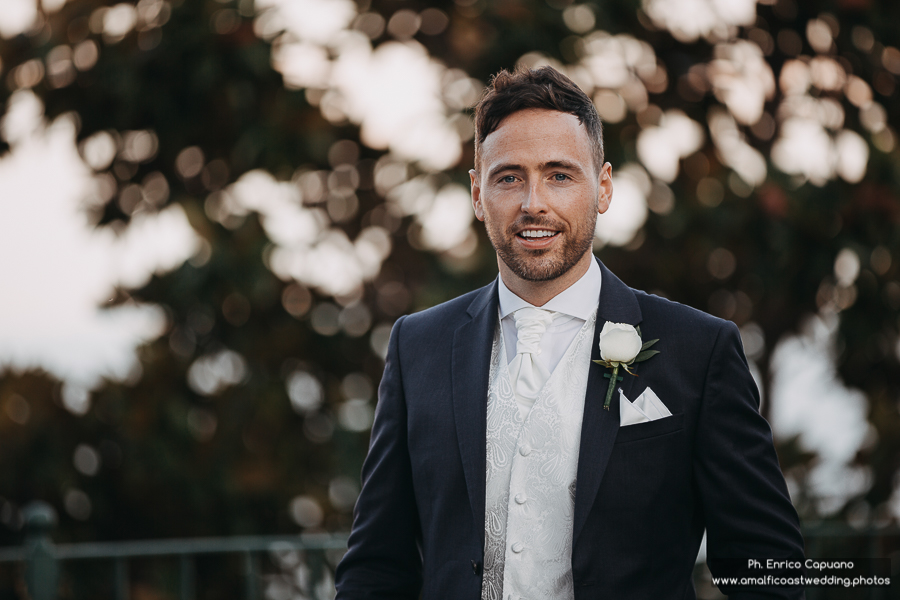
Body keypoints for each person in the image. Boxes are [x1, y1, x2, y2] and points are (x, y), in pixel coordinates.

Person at [334, 66, 805, 599]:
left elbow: (769, 568)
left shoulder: (698, 350)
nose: (534, 202)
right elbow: (376, 565)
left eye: (560, 175)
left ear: (602, 188)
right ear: (476, 193)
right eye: (509, 177)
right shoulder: (417, 345)